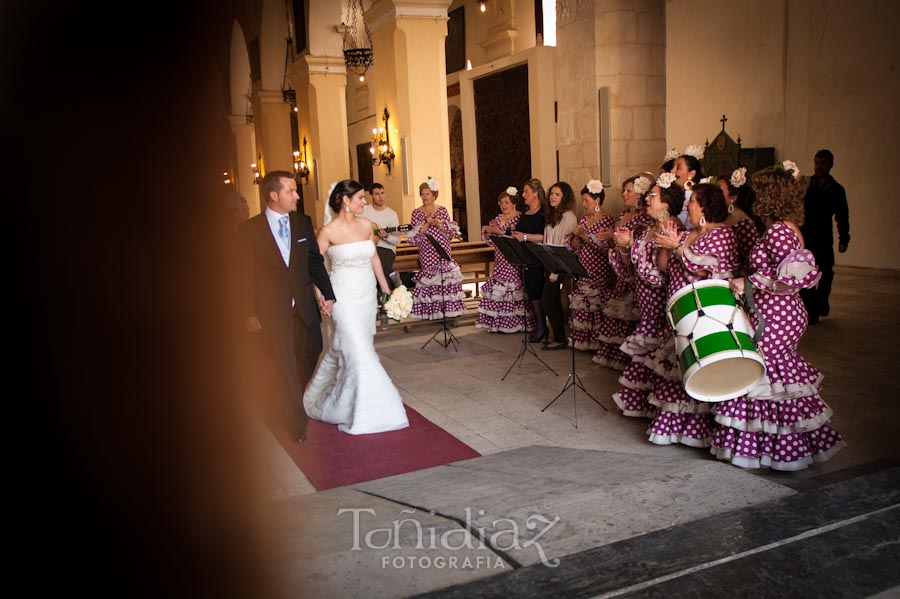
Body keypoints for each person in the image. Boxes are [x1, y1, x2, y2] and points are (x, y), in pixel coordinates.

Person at [713, 164, 846, 470]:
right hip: (779, 311)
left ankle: (779, 450)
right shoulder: (784, 226)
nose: (755, 196)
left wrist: (750, 281)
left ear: (770, 195)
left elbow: (789, 279)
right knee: (772, 377)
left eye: (761, 191)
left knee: (766, 377)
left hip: (779, 312)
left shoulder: (779, 230)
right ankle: (772, 448)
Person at [303, 180, 409, 435]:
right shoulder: (328, 231)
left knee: (351, 348)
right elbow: (315, 267)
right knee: (359, 352)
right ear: (345, 201)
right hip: (342, 297)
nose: (364, 202)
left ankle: (335, 402)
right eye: (360, 198)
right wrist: (321, 297)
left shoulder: (366, 226)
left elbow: (373, 257)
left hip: (365, 297)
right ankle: (373, 411)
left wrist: (385, 290)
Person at [236, 171, 335, 443]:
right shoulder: (250, 230)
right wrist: (248, 312)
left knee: (312, 350)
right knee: (284, 364)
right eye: (291, 191)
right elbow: (243, 274)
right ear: (273, 195)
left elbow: (314, 261)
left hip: (303, 306)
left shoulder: (302, 223)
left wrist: (328, 295)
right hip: (271, 310)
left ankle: (288, 393)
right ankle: (296, 422)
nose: (297, 196)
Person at [645, 179, 737, 447]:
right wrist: (666, 244)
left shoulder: (722, 234)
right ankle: (676, 425)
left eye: (693, 201)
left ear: (706, 205)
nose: (687, 205)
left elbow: (702, 269)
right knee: (677, 367)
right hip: (678, 310)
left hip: (703, 313)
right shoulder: (688, 233)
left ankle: (698, 429)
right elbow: (665, 266)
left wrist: (676, 247)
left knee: (696, 366)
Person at [611, 176, 681, 418]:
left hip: (659, 307)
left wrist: (631, 245)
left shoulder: (671, 229)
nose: (647, 199)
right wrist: (624, 246)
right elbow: (632, 267)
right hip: (644, 307)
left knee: (659, 359)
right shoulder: (649, 229)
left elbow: (662, 274)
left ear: (667, 203)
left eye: (653, 196)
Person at [594, 176, 654, 368]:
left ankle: (629, 359)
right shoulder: (622, 215)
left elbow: (639, 243)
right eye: (624, 190)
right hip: (620, 266)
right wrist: (610, 237)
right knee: (617, 314)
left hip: (636, 269)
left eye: (629, 190)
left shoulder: (644, 217)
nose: (624, 194)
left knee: (630, 314)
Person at [800, 149, 850, 323]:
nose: (819, 167)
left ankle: (822, 301)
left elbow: (842, 215)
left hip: (823, 237)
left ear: (830, 165)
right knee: (804, 274)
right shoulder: (806, 185)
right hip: (806, 236)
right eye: (816, 163)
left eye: (823, 163)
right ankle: (812, 310)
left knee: (826, 273)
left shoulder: (836, 189)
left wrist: (844, 239)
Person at [407, 178, 467, 320]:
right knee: (431, 279)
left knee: (445, 279)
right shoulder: (416, 213)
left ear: (434, 195)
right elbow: (413, 237)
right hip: (427, 252)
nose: (425, 196)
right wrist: (427, 225)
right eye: (422, 193)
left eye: (428, 193)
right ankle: (432, 312)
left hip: (442, 250)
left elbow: (451, 233)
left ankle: (448, 312)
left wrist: (440, 224)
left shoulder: (442, 210)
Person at [566, 180, 616, 351]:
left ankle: (596, 343)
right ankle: (583, 342)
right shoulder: (583, 219)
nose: (584, 204)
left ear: (597, 200)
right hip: (583, 269)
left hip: (599, 270)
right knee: (582, 306)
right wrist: (576, 237)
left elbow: (605, 248)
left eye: (586, 200)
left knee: (596, 305)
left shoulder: (606, 219)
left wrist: (586, 235)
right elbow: (574, 245)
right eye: (583, 200)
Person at [476, 188, 532, 333]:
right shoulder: (498, 218)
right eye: (501, 203)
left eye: (506, 202)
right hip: (500, 258)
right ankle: (499, 323)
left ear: (514, 203)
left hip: (513, 257)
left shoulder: (520, 218)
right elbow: (490, 241)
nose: (503, 206)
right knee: (499, 289)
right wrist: (488, 233)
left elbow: (515, 238)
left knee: (512, 289)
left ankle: (516, 323)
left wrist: (498, 232)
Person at [541, 181, 578, 350]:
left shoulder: (569, 216)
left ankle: (560, 337)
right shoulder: (552, 216)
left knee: (549, 300)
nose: (552, 197)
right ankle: (558, 335)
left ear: (564, 198)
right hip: (550, 264)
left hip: (561, 265)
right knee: (550, 300)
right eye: (552, 194)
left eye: (557, 194)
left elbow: (566, 244)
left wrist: (555, 268)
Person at [512, 178, 549, 342]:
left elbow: (544, 237)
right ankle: (538, 325)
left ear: (535, 193)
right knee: (531, 294)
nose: (523, 195)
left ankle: (542, 327)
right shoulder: (525, 214)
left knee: (537, 294)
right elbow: (518, 234)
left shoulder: (543, 213)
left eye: (526, 191)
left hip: (538, 260)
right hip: (526, 259)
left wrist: (525, 237)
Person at [362, 182, 402, 289]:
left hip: (386, 249)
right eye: (377, 194)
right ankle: (391, 280)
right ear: (371, 196)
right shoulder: (363, 211)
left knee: (379, 262)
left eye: (382, 193)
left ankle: (386, 296)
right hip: (367, 248)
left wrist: (386, 237)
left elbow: (397, 241)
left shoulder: (391, 214)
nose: (381, 197)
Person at [673, 145, 705, 228]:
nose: (672, 171)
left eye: (678, 168)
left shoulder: (696, 195)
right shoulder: (675, 192)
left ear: (691, 173)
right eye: (673, 167)